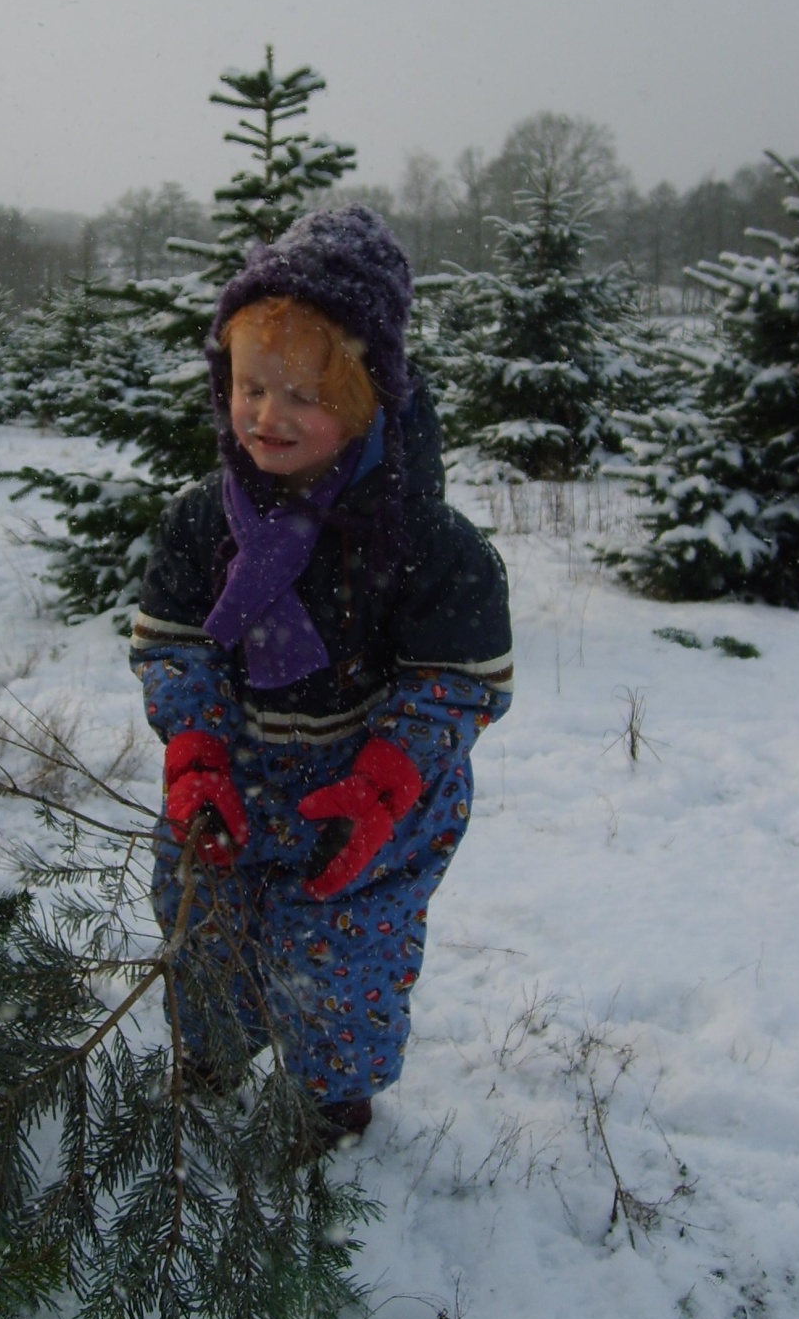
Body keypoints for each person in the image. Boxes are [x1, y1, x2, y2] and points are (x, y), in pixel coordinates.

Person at [130, 204, 513, 1152]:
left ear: (369, 394)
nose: (266, 417)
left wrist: (389, 774)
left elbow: (455, 680)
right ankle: (210, 1059)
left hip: (374, 791)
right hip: (242, 770)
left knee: (338, 953)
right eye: (251, 388)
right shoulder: (204, 522)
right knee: (204, 920)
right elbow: (176, 643)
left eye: (303, 395)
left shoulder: (424, 539)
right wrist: (196, 745)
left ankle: (331, 1107)